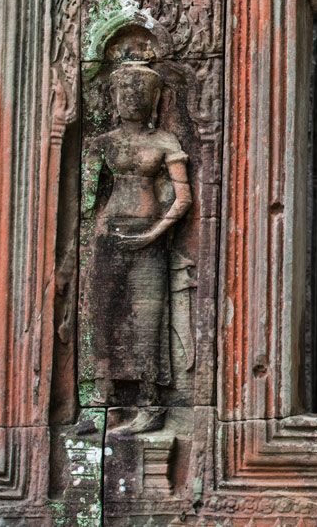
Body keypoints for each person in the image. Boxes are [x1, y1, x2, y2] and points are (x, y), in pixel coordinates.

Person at [82, 60, 192, 431]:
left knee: (148, 321)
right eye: (124, 93)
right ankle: (102, 403)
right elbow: (84, 199)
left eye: (139, 93)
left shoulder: (165, 141)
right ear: (113, 98)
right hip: (107, 236)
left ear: (155, 98)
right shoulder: (102, 143)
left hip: (150, 238)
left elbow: (183, 199)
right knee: (104, 316)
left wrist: (154, 233)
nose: (131, 100)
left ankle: (150, 404)